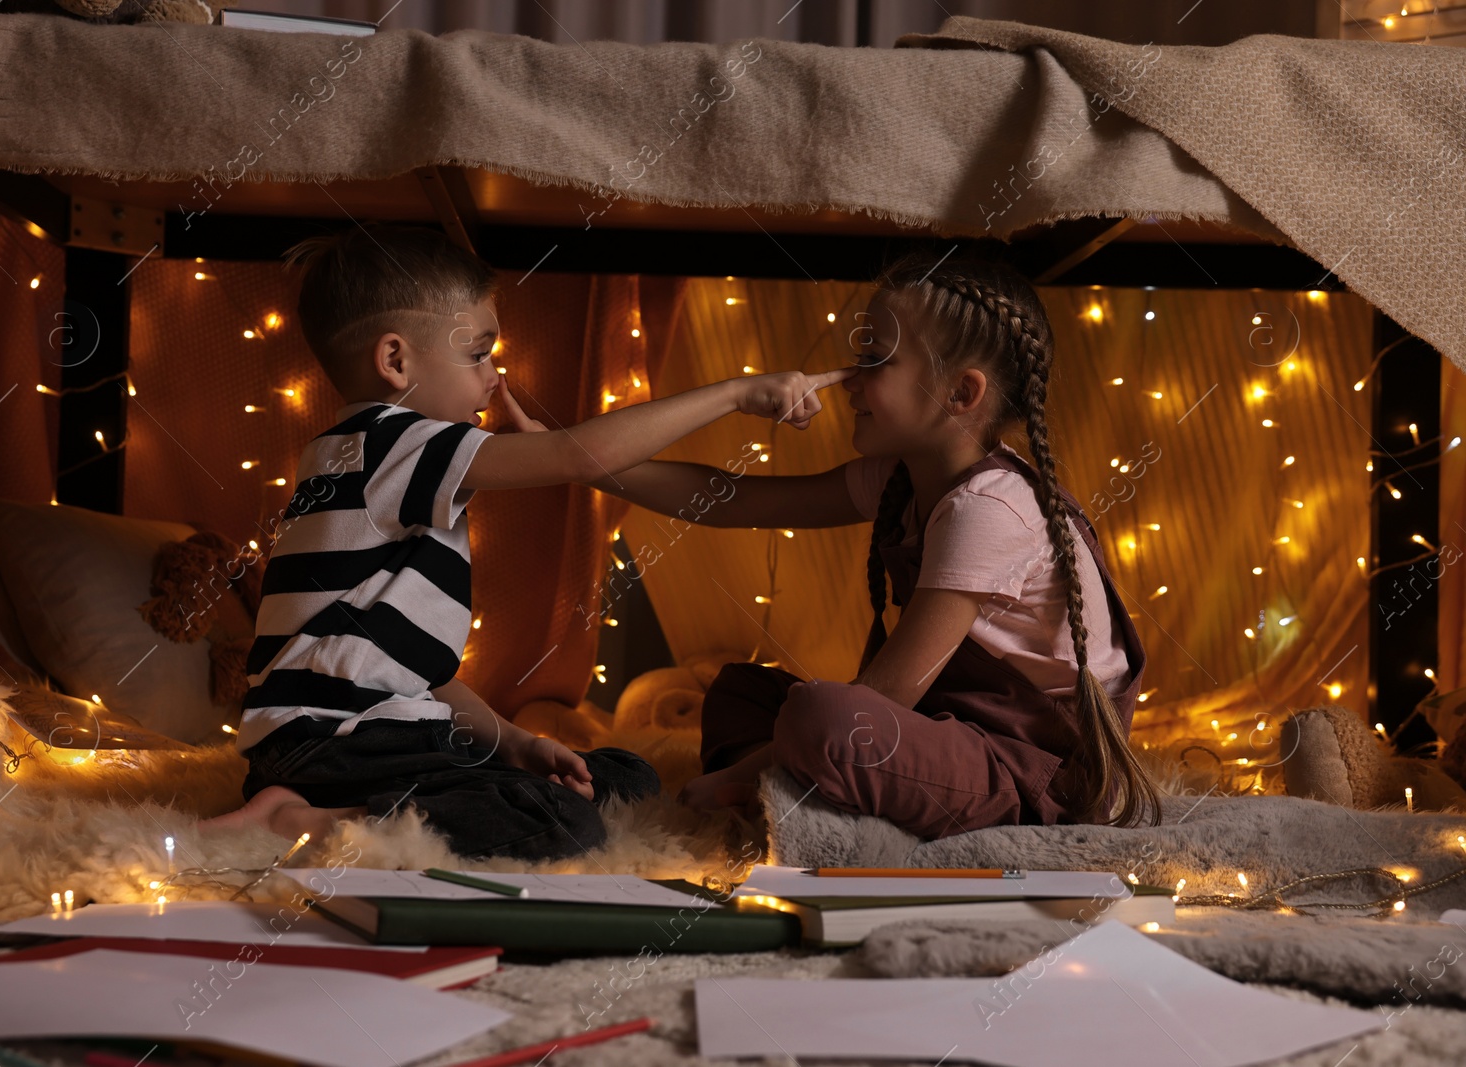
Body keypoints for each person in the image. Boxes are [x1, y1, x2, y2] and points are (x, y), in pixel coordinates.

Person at [202, 224, 856, 859]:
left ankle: (316, 798)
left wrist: (514, 742)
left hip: (324, 741)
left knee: (625, 776)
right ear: (396, 360)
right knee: (560, 820)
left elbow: (418, 676)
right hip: (344, 744)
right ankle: (307, 820)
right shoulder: (406, 442)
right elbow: (584, 456)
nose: (493, 375)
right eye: (477, 353)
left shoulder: (350, 455)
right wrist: (739, 392)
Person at [588, 251, 1163, 836]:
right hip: (946, 727)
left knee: (827, 717)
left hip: (1028, 768)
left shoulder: (988, 508)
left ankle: (778, 793)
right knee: (741, 689)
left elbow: (889, 692)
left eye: (874, 360)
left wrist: (733, 773)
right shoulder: (904, 476)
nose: (848, 380)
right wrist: (589, 463)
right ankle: (803, 791)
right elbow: (733, 501)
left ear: (962, 393)